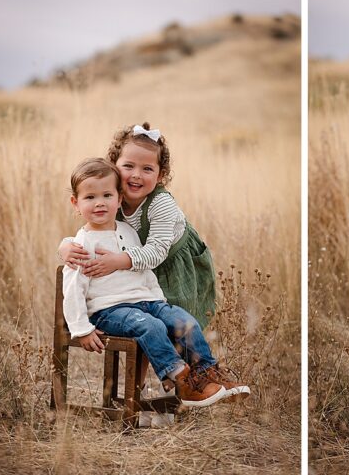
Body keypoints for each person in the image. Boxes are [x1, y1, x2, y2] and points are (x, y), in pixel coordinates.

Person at [62, 157, 249, 407]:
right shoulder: (81, 245)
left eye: (107, 195)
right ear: (76, 203)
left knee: (184, 321)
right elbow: (72, 289)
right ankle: (182, 380)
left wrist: (158, 301)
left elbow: (144, 270)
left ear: (119, 199)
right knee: (151, 326)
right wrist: (81, 328)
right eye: (90, 198)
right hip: (109, 311)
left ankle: (207, 373)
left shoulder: (127, 231)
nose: (99, 203)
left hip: (147, 302)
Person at [58, 123, 217, 329]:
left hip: (172, 262)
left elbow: (157, 251)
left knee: (177, 325)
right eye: (128, 166)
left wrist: (118, 261)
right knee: (147, 325)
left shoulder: (161, 204)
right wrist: (66, 246)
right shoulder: (112, 198)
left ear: (160, 176)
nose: (136, 175)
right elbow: (95, 233)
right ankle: (150, 359)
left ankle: (189, 361)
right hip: (136, 266)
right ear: (114, 165)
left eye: (147, 169)